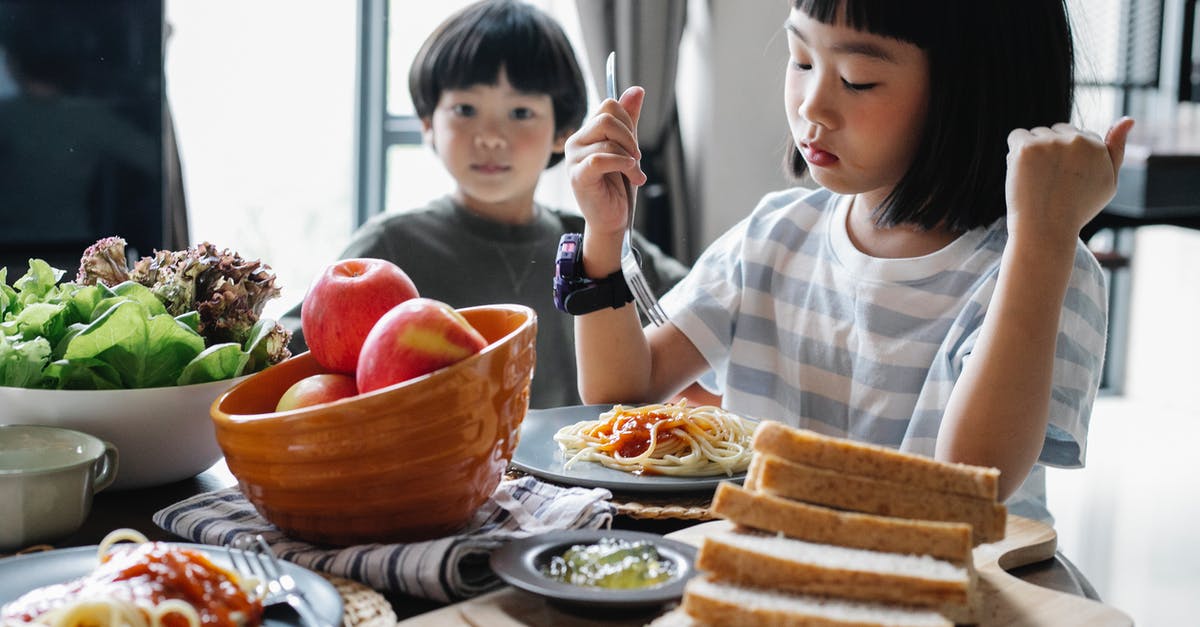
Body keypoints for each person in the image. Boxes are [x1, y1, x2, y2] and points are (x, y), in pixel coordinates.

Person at [564, 0, 1134, 523]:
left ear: (972, 92)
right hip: (773, 582)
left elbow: (972, 480)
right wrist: (605, 234)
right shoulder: (775, 235)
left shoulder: (1043, 264)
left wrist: (1043, 236)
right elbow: (624, 385)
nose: (812, 105)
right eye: (801, 59)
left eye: (858, 80)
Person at [285, 0, 688, 409]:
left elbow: (707, 309)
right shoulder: (389, 247)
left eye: (520, 111)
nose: (491, 136)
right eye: (465, 109)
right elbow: (290, 356)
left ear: (563, 131)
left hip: (581, 471)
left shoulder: (599, 238)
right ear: (428, 123)